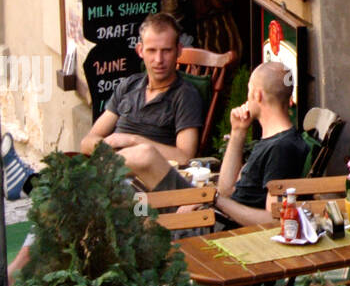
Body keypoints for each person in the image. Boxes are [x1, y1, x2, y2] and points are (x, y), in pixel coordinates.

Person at [124, 60, 308, 226]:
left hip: (215, 226)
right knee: (138, 171)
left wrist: (211, 199)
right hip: (211, 213)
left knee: (139, 171)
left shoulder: (282, 149)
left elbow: (274, 220)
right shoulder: (272, 140)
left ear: (257, 95)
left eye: (248, 90)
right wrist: (237, 132)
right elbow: (226, 189)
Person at [81, 12, 203, 166]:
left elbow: (184, 156)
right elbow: (87, 142)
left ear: (178, 50)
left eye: (166, 50)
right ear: (140, 50)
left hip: (147, 178)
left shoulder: (185, 95)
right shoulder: (128, 86)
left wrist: (133, 141)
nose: (159, 60)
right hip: (111, 169)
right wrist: (114, 154)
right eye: (152, 50)